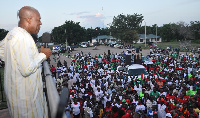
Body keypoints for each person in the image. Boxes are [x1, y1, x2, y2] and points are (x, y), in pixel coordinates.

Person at [0, 6, 51, 117]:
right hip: (27, 102)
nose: (40, 23)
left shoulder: (12, 33)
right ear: (28, 19)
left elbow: (2, 53)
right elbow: (26, 69)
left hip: (17, 97)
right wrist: (43, 55)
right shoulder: (23, 37)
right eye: (38, 20)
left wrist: (32, 53)